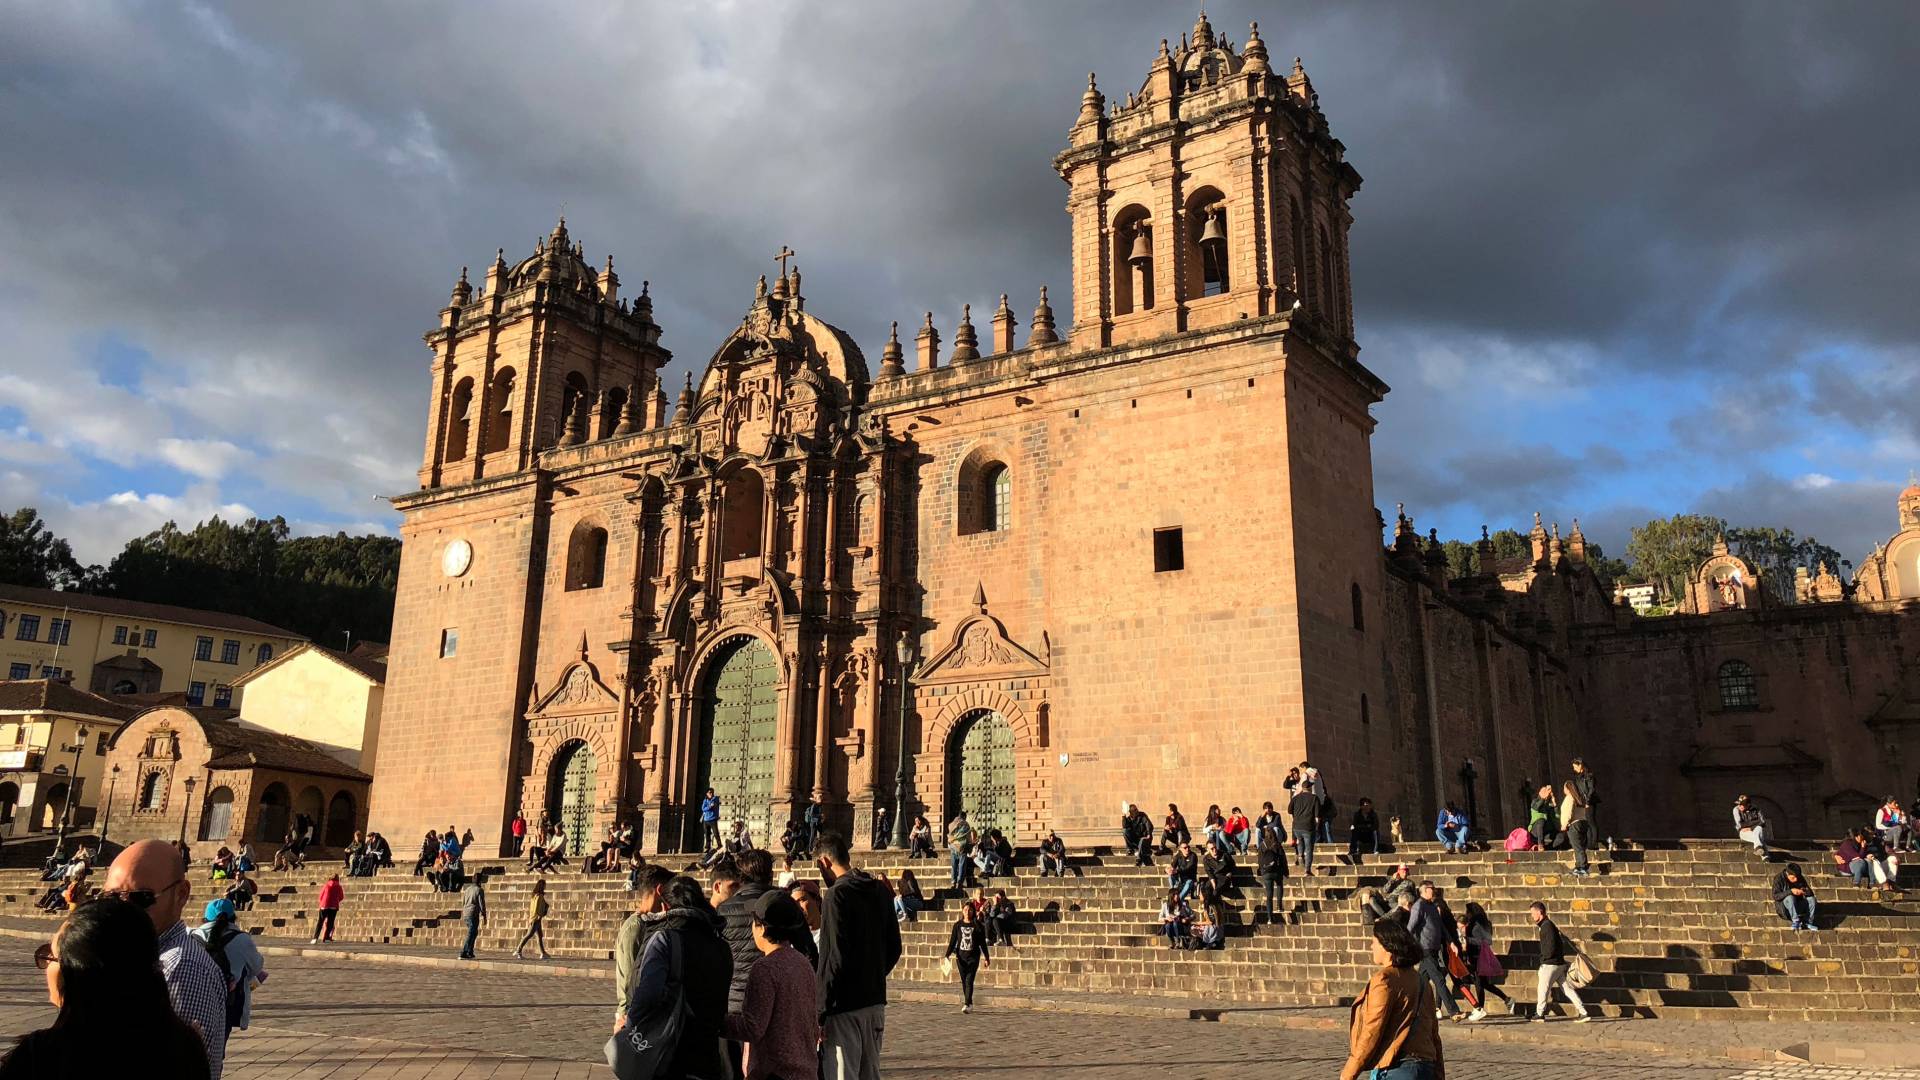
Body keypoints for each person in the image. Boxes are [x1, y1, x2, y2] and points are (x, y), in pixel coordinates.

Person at [2, 897, 213, 1079]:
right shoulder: (185, 1050)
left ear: (75, 972)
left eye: (53, 957)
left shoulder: (40, 1058)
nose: (47, 966)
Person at [103, 839, 228, 1078]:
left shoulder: (180, 969)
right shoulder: (142, 958)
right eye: (112, 897)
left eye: (141, 898)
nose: (123, 909)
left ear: (181, 894)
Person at [618, 875, 732, 1080]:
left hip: (670, 1057)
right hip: (708, 1056)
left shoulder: (665, 939)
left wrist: (628, 1029)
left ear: (665, 906)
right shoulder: (722, 947)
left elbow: (648, 994)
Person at [814, 831, 904, 1080]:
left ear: (825, 862)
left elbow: (833, 956)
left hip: (843, 1006)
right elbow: (895, 946)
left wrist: (820, 1009)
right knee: (870, 1073)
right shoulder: (880, 890)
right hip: (874, 1001)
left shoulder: (835, 895)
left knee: (843, 1074)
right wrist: (872, 972)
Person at [723, 892, 819, 1080]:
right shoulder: (802, 963)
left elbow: (753, 1027)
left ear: (761, 928)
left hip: (774, 1073)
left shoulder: (765, 968)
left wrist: (717, 1022)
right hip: (805, 1071)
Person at [1341, 918, 1446, 1080]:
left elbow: (1372, 1029)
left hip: (1396, 1068)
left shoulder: (1384, 980)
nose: (1371, 947)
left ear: (1387, 947)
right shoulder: (1421, 982)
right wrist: (1439, 1073)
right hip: (1425, 1068)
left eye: (1374, 942)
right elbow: (1433, 1034)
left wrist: (1349, 1073)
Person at [716, 846, 778, 1053]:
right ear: (770, 875)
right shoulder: (783, 905)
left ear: (741, 877)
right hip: (774, 1005)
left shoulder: (724, 910)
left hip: (732, 1003)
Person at [192, 898, 267, 1036]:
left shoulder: (193, 936)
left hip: (196, 999)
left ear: (205, 918)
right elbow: (257, 967)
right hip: (227, 1003)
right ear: (233, 917)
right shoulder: (242, 939)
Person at [613, 864, 674, 1029]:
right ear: (660, 890)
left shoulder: (654, 922)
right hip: (633, 1015)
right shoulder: (635, 927)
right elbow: (628, 977)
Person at [1406, 881, 1461, 1021]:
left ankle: (1412, 1009)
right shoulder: (1419, 906)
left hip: (1434, 948)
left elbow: (1441, 927)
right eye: (1432, 888)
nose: (1434, 890)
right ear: (1424, 890)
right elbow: (1411, 927)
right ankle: (1454, 1011)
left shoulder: (1432, 906)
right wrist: (1407, 944)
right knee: (1439, 979)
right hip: (1425, 948)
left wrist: (1451, 943)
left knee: (1421, 981)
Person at [1529, 901, 1591, 1022]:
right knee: (1567, 989)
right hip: (1558, 964)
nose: (1532, 916)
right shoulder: (1549, 925)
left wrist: (1544, 960)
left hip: (1550, 964)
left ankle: (1540, 1013)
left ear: (1539, 912)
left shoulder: (1546, 926)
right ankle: (1583, 1012)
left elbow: (1549, 947)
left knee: (1542, 989)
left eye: (1533, 913)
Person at [1457, 902, 1511, 1020]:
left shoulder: (1476, 925)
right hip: (1479, 956)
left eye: (1468, 912)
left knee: (1479, 983)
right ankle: (1507, 999)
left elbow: (1480, 941)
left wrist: (1465, 939)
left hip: (1477, 957)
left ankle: (1479, 1008)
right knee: (1483, 983)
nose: (1467, 914)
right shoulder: (1484, 923)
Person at [944, 901, 992, 1013]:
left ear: (973, 912)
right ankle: (969, 1002)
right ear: (962, 911)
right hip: (960, 958)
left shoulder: (977, 925)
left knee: (969, 980)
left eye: (970, 910)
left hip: (973, 957)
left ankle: (966, 1004)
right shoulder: (957, 925)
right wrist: (947, 955)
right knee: (964, 981)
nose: (967, 912)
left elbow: (982, 944)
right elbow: (953, 941)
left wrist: (987, 957)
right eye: (965, 910)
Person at [513, 878, 552, 960]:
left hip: (535, 918)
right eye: (544, 885)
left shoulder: (534, 895)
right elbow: (537, 908)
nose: (545, 887)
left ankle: (543, 953)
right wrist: (538, 916)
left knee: (539, 936)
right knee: (528, 935)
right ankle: (518, 950)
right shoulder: (539, 896)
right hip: (536, 919)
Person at [1256, 829, 1290, 923]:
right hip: (1277, 871)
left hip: (1266, 872)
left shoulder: (1262, 845)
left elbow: (1259, 860)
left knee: (1269, 895)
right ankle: (1279, 905)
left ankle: (1270, 918)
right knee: (1279, 885)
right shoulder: (1277, 844)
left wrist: (1261, 870)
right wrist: (1286, 871)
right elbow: (1283, 859)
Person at [1562, 780, 1594, 877]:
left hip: (1574, 824)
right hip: (1582, 823)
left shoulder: (1569, 798)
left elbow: (1568, 812)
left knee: (1577, 847)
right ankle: (1579, 866)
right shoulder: (1579, 798)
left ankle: (1582, 867)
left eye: (1564, 788)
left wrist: (1565, 824)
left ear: (1567, 788)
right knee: (1581, 847)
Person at [1772, 863, 1818, 930]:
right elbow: (1775, 895)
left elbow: (1810, 893)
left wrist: (1804, 891)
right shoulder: (1779, 878)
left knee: (1812, 899)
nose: (1796, 879)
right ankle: (1796, 921)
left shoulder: (1799, 878)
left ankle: (1808, 922)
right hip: (1785, 908)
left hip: (1798, 905)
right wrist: (1791, 891)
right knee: (1790, 897)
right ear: (1787, 874)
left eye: (1797, 877)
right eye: (1793, 878)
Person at [1288, 784, 1321, 875]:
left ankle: (1300, 855)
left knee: (1300, 841)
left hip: (1296, 826)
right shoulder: (1314, 798)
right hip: (1308, 827)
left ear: (1302, 788)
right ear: (1310, 788)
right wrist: (1317, 827)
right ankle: (1307, 870)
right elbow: (1317, 817)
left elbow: (1289, 810)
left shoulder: (1295, 798)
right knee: (1309, 848)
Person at [458, 875, 487, 959]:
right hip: (473, 913)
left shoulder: (467, 890)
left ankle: (470, 952)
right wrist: (484, 915)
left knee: (474, 932)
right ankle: (464, 951)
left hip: (466, 912)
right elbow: (481, 903)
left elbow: (463, 902)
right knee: (471, 933)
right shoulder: (479, 890)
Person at [1190, 885, 1225, 950]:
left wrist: (1198, 923)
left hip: (1214, 930)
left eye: (1200, 894)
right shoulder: (1214, 904)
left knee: (1193, 928)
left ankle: (1209, 942)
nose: (1199, 896)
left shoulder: (1209, 907)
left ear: (1204, 895)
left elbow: (1210, 922)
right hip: (1218, 929)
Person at [946, 811, 974, 889]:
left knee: (954, 865)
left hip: (953, 846)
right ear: (964, 817)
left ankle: (953, 882)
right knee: (961, 865)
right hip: (962, 847)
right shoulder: (965, 824)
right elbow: (968, 837)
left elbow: (950, 834)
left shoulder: (951, 824)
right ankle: (960, 882)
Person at [1528, 785, 1562, 850]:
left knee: (1560, 836)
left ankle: (1547, 848)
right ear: (1539, 793)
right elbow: (1537, 808)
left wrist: (1554, 804)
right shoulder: (1535, 801)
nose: (1545, 793)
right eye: (1543, 791)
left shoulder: (1549, 805)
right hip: (1535, 832)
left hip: (1546, 832)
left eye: (1546, 791)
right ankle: (1540, 844)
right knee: (1541, 820)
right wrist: (1543, 798)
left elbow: (1557, 817)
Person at [312, 873, 343, 944]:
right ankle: (326, 937)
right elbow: (341, 896)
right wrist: (336, 901)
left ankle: (315, 938)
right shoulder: (339, 886)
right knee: (330, 922)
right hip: (333, 906)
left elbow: (321, 895)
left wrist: (322, 902)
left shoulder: (326, 885)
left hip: (324, 905)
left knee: (320, 922)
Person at [1349, 798, 1380, 863]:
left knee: (1375, 831)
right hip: (1361, 835)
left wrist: (1364, 827)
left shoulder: (1373, 815)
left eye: (1368, 805)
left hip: (1370, 835)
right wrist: (1366, 826)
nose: (1367, 807)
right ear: (1361, 806)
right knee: (1354, 830)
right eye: (1365, 805)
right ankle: (1353, 850)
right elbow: (1354, 825)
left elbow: (1375, 826)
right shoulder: (1357, 815)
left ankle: (1375, 850)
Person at [700, 788, 723, 853]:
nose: (711, 794)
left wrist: (711, 806)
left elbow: (716, 804)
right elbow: (703, 808)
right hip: (706, 820)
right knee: (707, 834)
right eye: (709, 792)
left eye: (712, 792)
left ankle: (719, 845)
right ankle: (707, 847)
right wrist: (709, 807)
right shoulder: (705, 800)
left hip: (713, 819)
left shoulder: (715, 799)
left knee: (716, 833)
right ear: (707, 793)